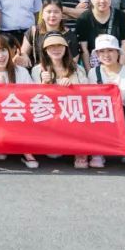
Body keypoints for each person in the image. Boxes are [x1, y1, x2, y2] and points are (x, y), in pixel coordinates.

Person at [0, 33, 37, 168]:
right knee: (1, 154)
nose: (0, 56)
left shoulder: (21, 71)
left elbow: (31, 96)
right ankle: (0, 143)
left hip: (20, 116)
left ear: (9, 51)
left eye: (3, 50)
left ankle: (25, 150)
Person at [32, 32, 90, 168]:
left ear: (65, 48)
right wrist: (44, 85)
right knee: (54, 154)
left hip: (72, 114)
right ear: (45, 50)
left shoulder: (78, 69)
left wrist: (72, 87)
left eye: (59, 45)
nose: (56, 49)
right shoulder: (37, 70)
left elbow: (87, 93)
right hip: (50, 115)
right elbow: (33, 98)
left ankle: (81, 151)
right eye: (51, 46)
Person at [89, 34, 125, 167]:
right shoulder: (93, 73)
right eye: (102, 51)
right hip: (100, 122)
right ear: (97, 55)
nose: (106, 55)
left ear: (118, 52)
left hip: (121, 122)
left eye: (110, 50)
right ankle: (98, 151)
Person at [76, 0, 125, 71]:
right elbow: (84, 49)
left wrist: (121, 70)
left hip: (118, 64)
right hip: (94, 67)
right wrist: (90, 73)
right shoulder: (84, 19)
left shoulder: (121, 16)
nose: (102, 1)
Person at [17, 0, 79, 70]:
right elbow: (24, 52)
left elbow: (74, 61)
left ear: (62, 15)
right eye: (49, 12)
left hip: (62, 72)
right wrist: (24, 56)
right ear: (42, 15)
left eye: (56, 12)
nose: (52, 15)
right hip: (37, 72)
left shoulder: (70, 35)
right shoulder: (33, 31)